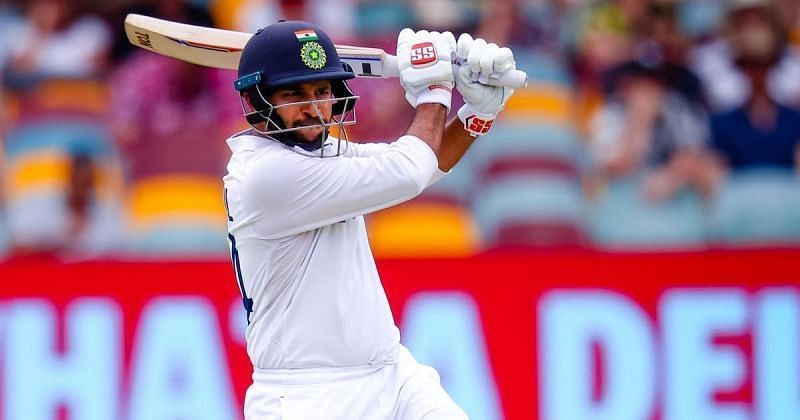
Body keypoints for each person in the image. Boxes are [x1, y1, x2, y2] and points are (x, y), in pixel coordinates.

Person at [222, 21, 515, 419]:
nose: (313, 108)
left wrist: (477, 113)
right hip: (307, 397)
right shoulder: (263, 177)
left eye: (322, 91)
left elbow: (422, 165)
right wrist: (436, 88)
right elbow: (408, 171)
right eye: (293, 93)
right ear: (257, 100)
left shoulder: (322, 154)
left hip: (391, 373)